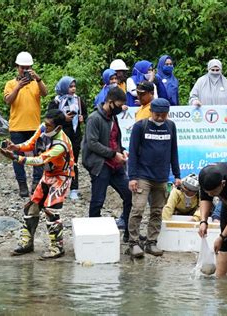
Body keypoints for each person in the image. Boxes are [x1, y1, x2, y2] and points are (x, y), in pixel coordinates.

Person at [0, 109, 74, 259]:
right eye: (45, 123)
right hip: (48, 175)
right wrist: (16, 147)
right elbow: (30, 143)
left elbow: (40, 160)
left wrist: (16, 158)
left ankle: (57, 247)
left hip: (62, 176)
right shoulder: (43, 128)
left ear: (58, 128)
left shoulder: (62, 144)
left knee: (51, 211)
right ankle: (27, 243)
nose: (45, 127)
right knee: (31, 208)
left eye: (49, 125)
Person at [128, 98, 181, 258]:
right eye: (157, 114)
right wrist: (132, 177)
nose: (160, 118)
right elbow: (132, 153)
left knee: (157, 211)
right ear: (151, 112)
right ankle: (134, 243)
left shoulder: (171, 126)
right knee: (138, 209)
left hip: (162, 176)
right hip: (143, 176)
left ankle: (151, 242)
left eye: (163, 115)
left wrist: (177, 175)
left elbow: (174, 151)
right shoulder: (140, 127)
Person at [82, 87, 132, 242]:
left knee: (129, 195)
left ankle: (129, 234)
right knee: (98, 200)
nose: (120, 108)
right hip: (100, 165)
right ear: (110, 102)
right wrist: (113, 154)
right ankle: (93, 236)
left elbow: (116, 140)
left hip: (116, 165)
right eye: (119, 104)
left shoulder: (113, 118)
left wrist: (122, 151)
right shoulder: (94, 118)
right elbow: (92, 143)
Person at [4, 51, 47, 197]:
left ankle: (36, 183)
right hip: (17, 127)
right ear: (17, 67)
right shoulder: (10, 84)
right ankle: (22, 185)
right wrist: (18, 86)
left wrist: (38, 79)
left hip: (35, 127)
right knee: (17, 157)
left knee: (38, 156)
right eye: (23, 67)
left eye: (28, 67)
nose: (25, 70)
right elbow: (8, 100)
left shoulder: (36, 83)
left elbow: (45, 93)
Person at [48, 76, 87, 200]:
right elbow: (50, 118)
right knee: (58, 160)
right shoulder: (56, 101)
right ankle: (57, 186)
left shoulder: (78, 100)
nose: (73, 89)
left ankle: (74, 188)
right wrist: (63, 118)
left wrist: (82, 118)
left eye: (74, 86)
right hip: (60, 135)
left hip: (75, 134)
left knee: (73, 161)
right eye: (70, 86)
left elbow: (85, 113)